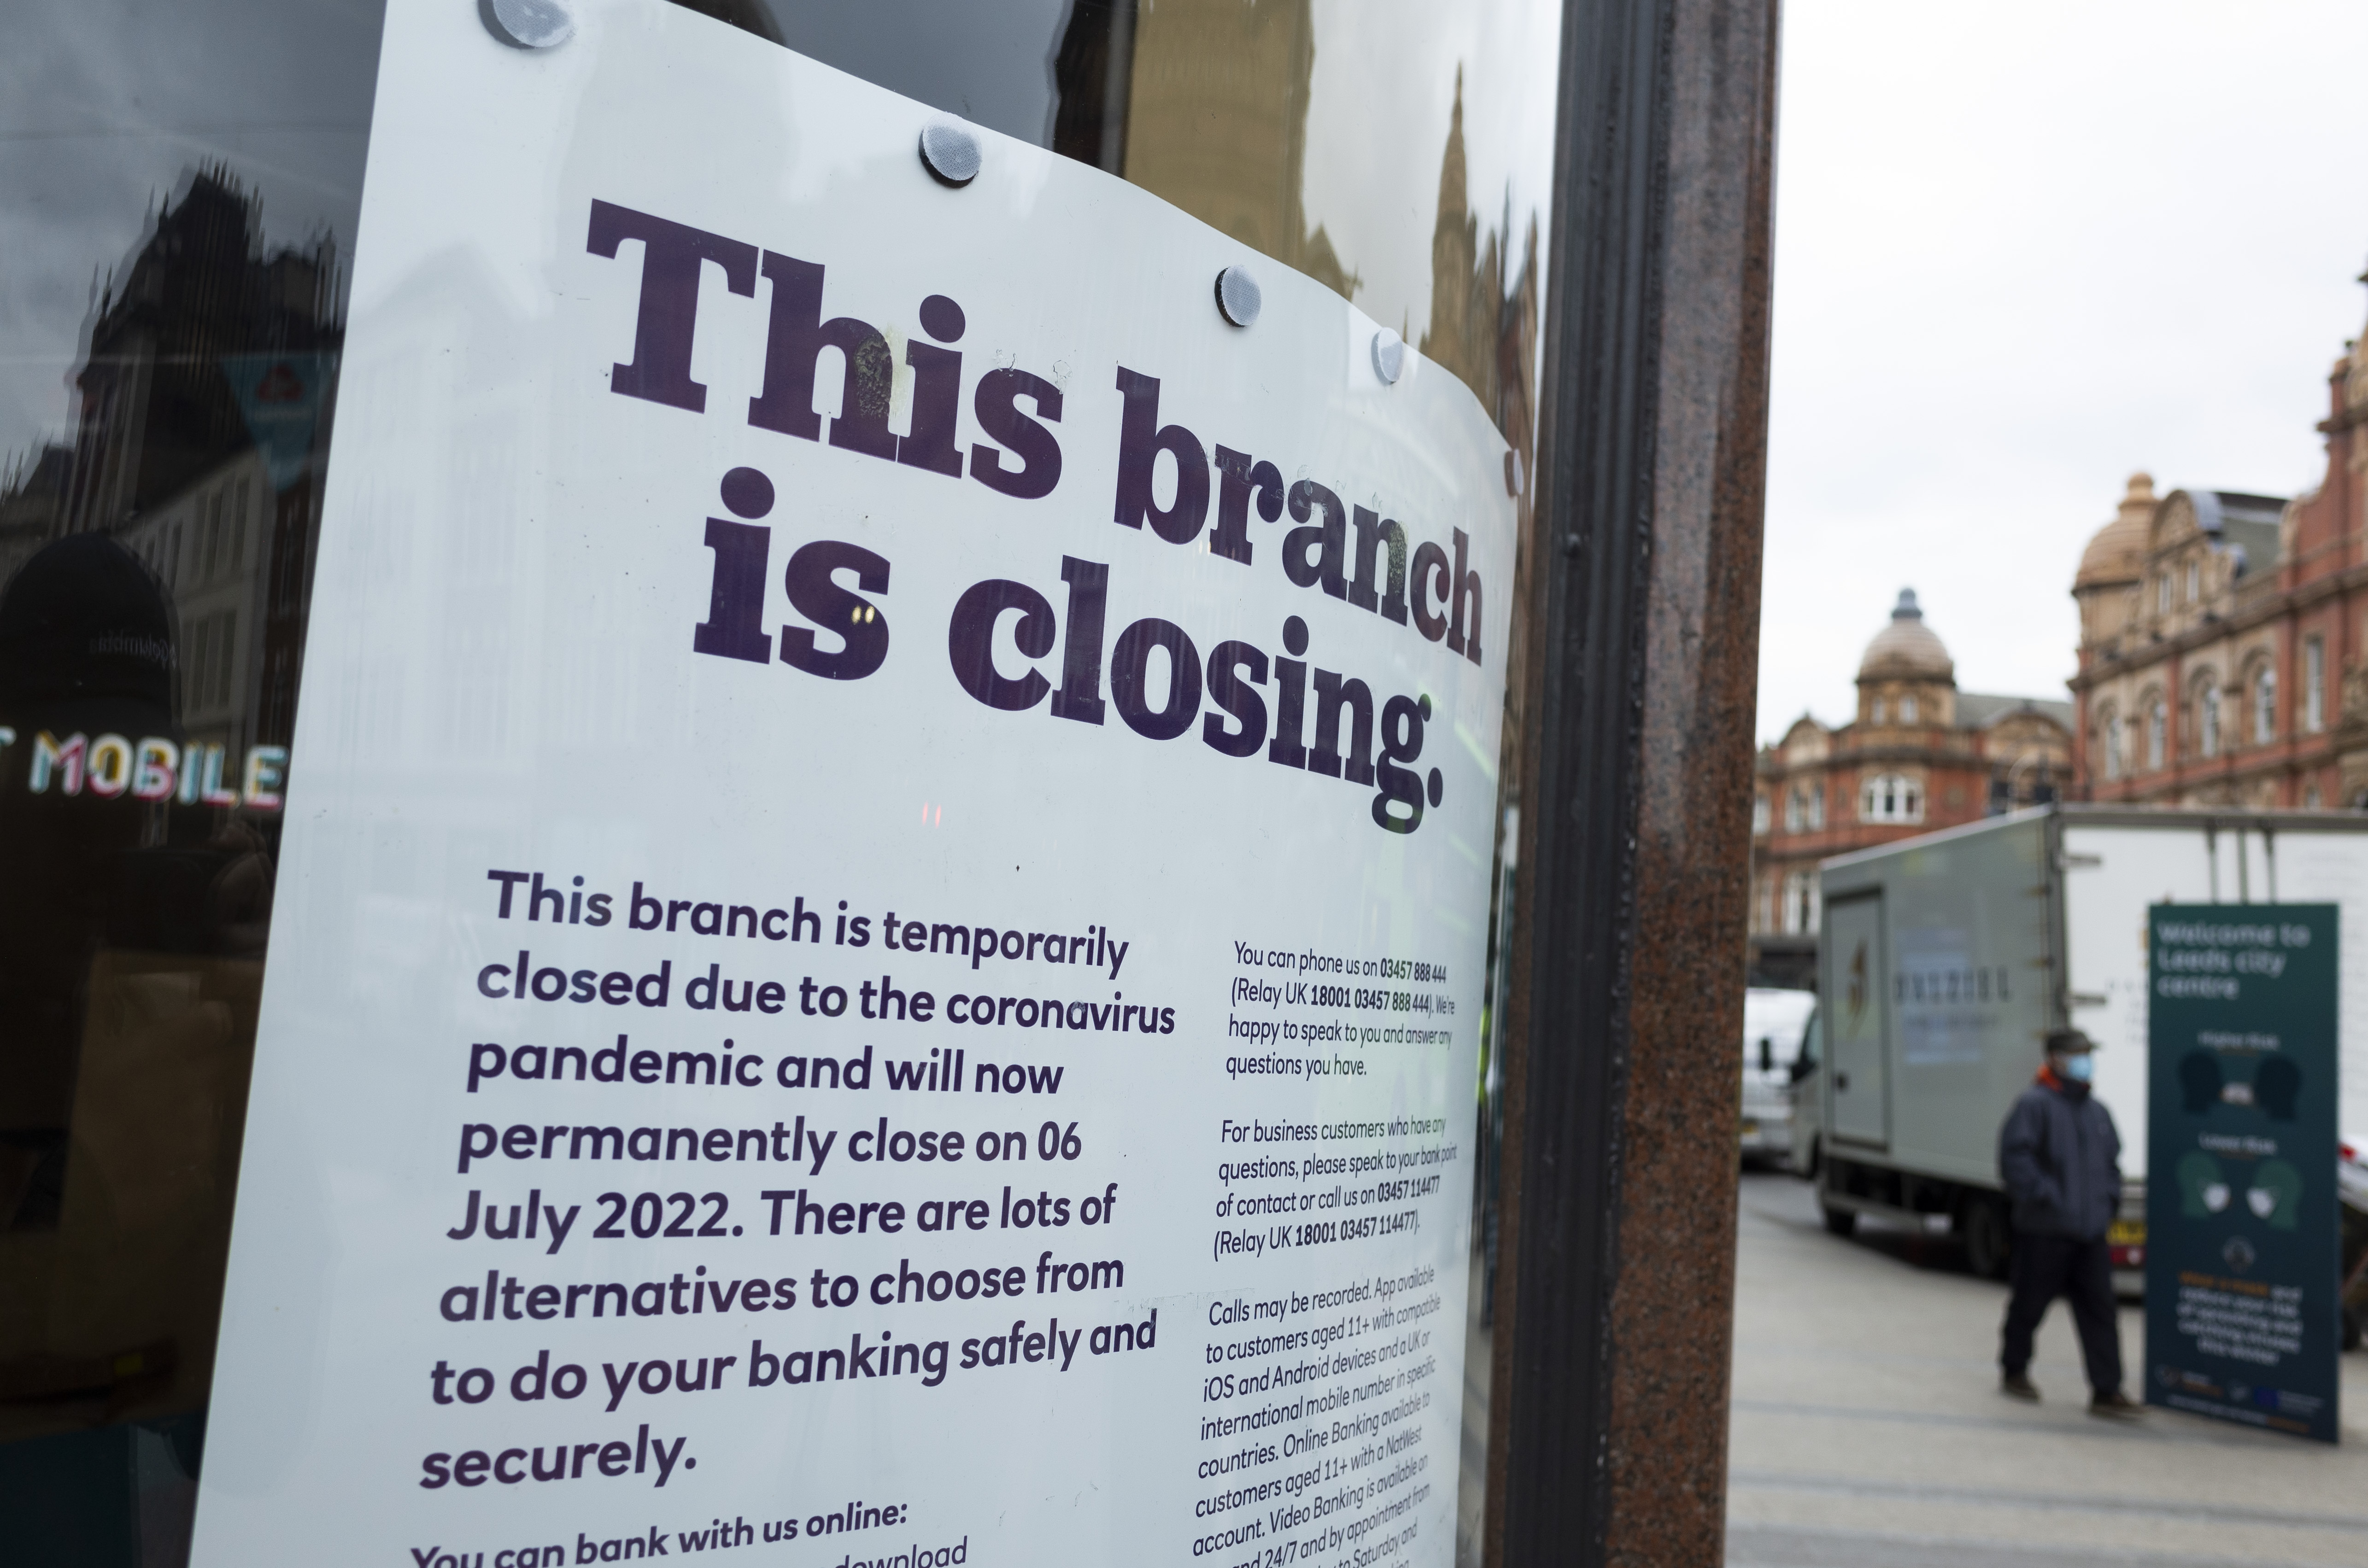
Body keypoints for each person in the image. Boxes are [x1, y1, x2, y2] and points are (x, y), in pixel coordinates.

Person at [1996, 1029, 2142, 1419]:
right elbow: (2015, 1159)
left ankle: (2107, 1391)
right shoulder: (2034, 1105)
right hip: (2045, 1230)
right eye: (2079, 1055)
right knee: (2029, 1305)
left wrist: (2109, 1200)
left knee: (2101, 1312)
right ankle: (2014, 1369)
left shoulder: (2097, 1111)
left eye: (2088, 1054)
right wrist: (2046, 1198)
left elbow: (2112, 1162)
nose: (2086, 1062)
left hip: (2091, 1233)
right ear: (2056, 1059)